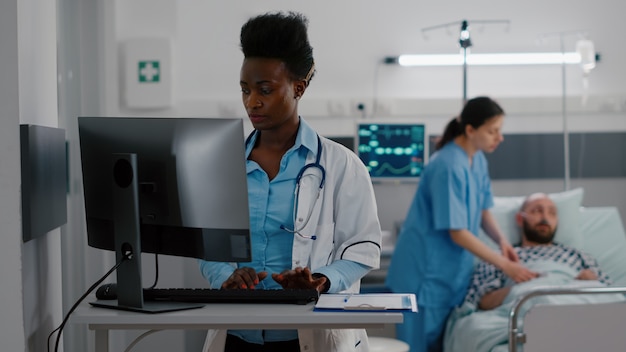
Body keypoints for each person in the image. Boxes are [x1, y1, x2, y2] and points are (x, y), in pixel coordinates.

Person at [199, 11, 382, 352]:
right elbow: (208, 245)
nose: (252, 101)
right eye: (245, 89)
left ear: (298, 88)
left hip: (308, 335)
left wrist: (320, 280)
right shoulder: (224, 167)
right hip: (237, 335)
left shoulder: (342, 166)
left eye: (264, 90)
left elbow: (364, 247)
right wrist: (225, 274)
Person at [385, 96, 538, 352]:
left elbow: (482, 211)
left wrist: (502, 242)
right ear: (470, 130)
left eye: (499, 131)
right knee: (416, 346)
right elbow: (457, 233)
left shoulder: (477, 160)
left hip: (450, 275)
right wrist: (505, 265)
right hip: (424, 277)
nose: (499, 138)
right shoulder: (447, 166)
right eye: (492, 131)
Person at [465, 192, 611, 310]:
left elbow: (613, 294)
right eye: (537, 211)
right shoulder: (500, 259)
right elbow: (481, 302)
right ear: (520, 219)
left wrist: (589, 284)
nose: (545, 218)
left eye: (552, 213)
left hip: (579, 308)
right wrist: (524, 289)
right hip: (533, 309)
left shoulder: (579, 256)